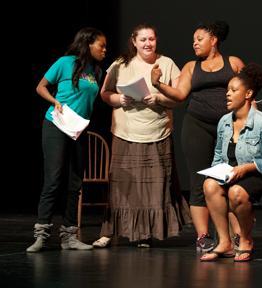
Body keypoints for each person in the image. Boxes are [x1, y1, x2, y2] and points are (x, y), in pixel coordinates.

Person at [92, 23, 191, 249]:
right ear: (134, 42)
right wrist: (119, 99)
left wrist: (158, 99)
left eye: (152, 39)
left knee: (153, 189)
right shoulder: (121, 64)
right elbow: (105, 93)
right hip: (126, 133)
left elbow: (178, 98)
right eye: (143, 39)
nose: (148, 43)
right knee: (122, 186)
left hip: (157, 133)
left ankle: (145, 233)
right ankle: (110, 231)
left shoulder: (166, 64)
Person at [151, 21, 245, 252]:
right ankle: (203, 238)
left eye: (199, 38)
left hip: (228, 128)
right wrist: (158, 84)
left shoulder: (232, 62)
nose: (194, 43)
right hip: (197, 126)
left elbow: (247, 91)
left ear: (213, 40)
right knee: (199, 181)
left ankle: (236, 236)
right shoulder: (192, 67)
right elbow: (180, 94)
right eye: (193, 39)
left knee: (230, 179)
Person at [27, 27, 107, 252]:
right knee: (53, 179)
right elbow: (40, 87)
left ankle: (69, 236)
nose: (104, 49)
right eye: (101, 45)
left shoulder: (97, 71)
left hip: (78, 129)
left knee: (75, 182)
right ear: (89, 44)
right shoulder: (65, 62)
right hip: (57, 124)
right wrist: (54, 101)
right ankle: (42, 233)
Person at [200, 63, 262, 262]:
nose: (227, 94)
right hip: (232, 173)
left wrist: (246, 167)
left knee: (236, 192)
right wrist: (216, 171)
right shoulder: (224, 122)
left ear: (248, 94)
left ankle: (245, 240)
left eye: (233, 90)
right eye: (227, 90)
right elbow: (219, 155)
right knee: (209, 184)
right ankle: (224, 242)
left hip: (258, 176)